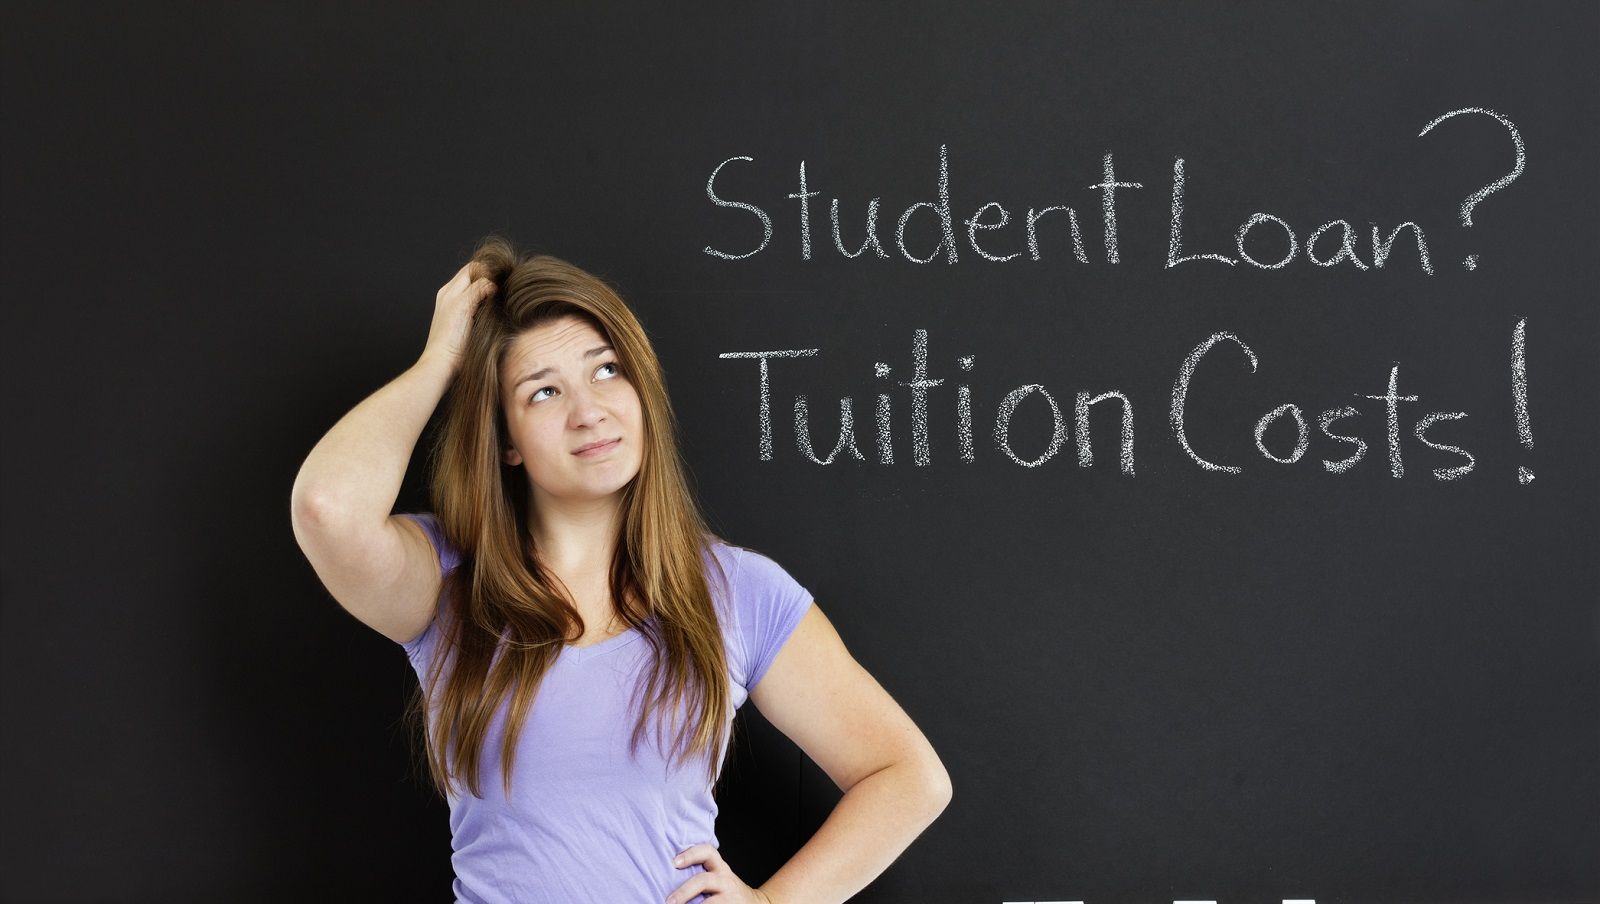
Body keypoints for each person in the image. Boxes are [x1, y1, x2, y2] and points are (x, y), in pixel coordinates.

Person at [289, 236, 952, 904]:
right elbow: (327, 510)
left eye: (606, 370)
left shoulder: (736, 590)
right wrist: (441, 362)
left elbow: (908, 776)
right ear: (506, 441)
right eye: (543, 392)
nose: (590, 411)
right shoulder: (448, 583)